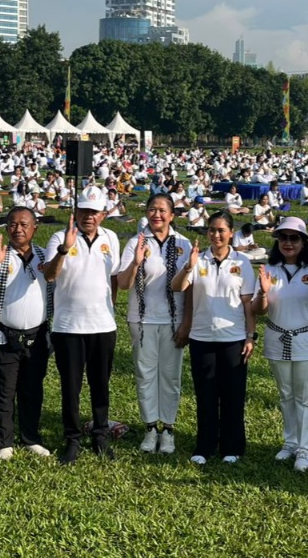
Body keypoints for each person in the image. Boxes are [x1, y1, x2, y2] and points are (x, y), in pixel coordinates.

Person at [171, 211, 256, 465]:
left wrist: (250, 336)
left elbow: (248, 305)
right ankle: (205, 445)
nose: (216, 235)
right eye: (211, 230)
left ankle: (233, 446)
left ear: (231, 233)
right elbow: (177, 287)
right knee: (206, 394)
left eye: (221, 230)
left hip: (233, 338)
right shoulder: (199, 260)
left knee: (233, 395)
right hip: (202, 338)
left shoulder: (242, 262)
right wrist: (188, 265)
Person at [252, 217, 308, 472]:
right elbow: (259, 310)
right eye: (283, 238)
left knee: (305, 397)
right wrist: (264, 292)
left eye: (294, 238)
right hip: (278, 338)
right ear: (277, 241)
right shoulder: (270, 269)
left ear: (304, 241)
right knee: (286, 394)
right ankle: (289, 443)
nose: (288, 243)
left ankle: (305, 449)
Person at [45, 186, 121, 465]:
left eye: (94, 212)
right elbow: (50, 276)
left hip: (102, 325)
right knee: (71, 387)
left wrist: (109, 308)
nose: (89, 216)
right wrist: (65, 248)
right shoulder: (58, 237)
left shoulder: (111, 238)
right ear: (75, 212)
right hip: (68, 327)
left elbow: (112, 278)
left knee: (101, 385)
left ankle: (100, 434)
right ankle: (72, 438)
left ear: (103, 214)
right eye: (84, 211)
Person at [0, 206, 53, 460]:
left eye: (24, 224)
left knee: (32, 389)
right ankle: (4, 442)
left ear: (34, 228)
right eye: (12, 225)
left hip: (37, 335)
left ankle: (30, 437)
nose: (18, 229)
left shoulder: (43, 257)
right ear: (6, 228)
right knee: (3, 391)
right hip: (4, 335)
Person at [118, 194, 193, 455]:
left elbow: (190, 285)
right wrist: (137, 261)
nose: (157, 215)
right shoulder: (135, 242)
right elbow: (123, 284)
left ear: (172, 215)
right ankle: (150, 427)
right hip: (142, 318)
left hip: (173, 320)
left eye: (162, 210)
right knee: (145, 374)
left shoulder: (184, 243)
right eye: (152, 210)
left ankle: (168, 428)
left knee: (171, 376)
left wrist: (187, 322)